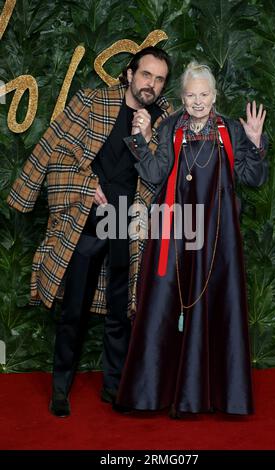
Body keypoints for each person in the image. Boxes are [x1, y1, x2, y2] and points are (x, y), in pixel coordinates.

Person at [7, 46, 173, 417]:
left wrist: (146, 137)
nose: (151, 85)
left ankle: (113, 386)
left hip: (126, 225)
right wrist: (84, 184)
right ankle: (60, 388)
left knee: (120, 311)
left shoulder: (162, 123)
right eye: (146, 75)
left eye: (159, 79)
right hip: (86, 219)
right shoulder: (93, 102)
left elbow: (159, 176)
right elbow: (59, 152)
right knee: (74, 309)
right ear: (130, 74)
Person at [116, 61, 268, 418]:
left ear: (214, 96)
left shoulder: (231, 129)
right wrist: (141, 139)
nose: (198, 101)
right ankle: (155, 393)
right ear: (182, 98)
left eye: (204, 95)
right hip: (177, 230)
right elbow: (154, 174)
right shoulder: (170, 128)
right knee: (163, 306)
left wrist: (257, 143)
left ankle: (217, 396)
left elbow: (254, 178)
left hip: (219, 236)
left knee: (219, 305)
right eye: (190, 95)